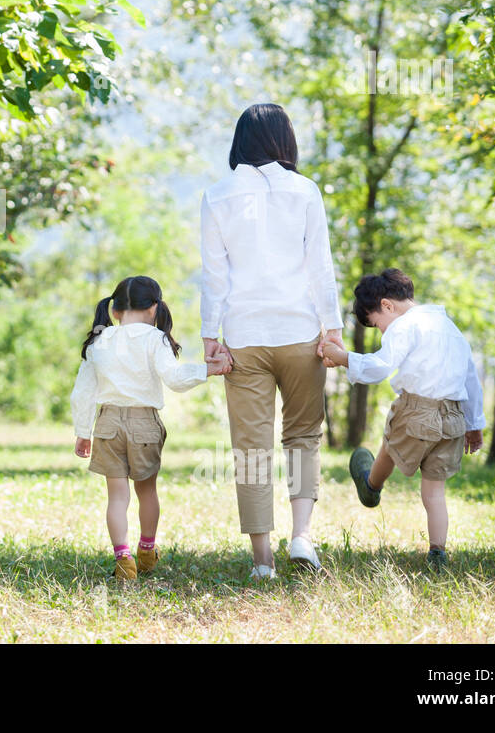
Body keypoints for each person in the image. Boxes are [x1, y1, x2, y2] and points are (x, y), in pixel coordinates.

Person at [200, 103, 343, 580]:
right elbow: (320, 265)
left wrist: (209, 337)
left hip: (243, 336)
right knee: (303, 437)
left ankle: (263, 562)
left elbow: (213, 276)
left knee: (251, 448)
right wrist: (333, 328)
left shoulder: (217, 195)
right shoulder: (305, 191)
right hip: (300, 331)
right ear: (286, 140)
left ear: (240, 141)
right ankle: (301, 535)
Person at [317, 268, 485, 569]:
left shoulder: (404, 326)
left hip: (417, 412)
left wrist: (344, 358)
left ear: (387, 305)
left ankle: (371, 485)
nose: (382, 331)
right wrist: (474, 425)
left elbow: (381, 366)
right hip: (454, 419)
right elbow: (470, 378)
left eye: (377, 325)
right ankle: (437, 552)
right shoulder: (449, 327)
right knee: (434, 491)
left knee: (392, 442)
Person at [71, 275, 229, 584]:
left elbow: (83, 392)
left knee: (116, 497)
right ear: (154, 308)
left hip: (107, 423)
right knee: (147, 491)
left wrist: (83, 431)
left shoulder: (99, 340)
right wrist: (209, 369)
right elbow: (175, 379)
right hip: (145, 423)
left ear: (115, 310)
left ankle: (123, 558)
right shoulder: (156, 340)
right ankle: (146, 550)